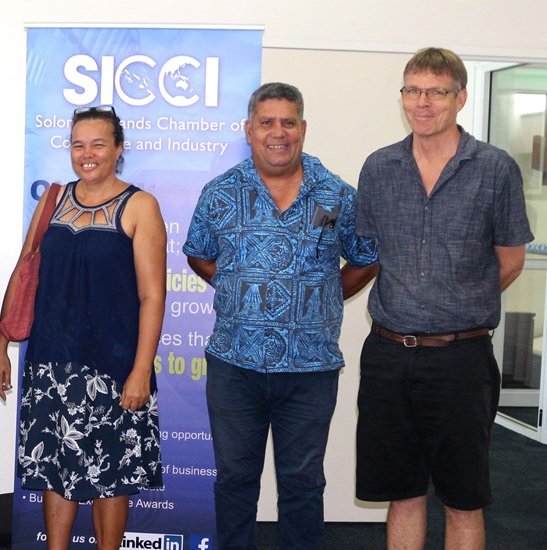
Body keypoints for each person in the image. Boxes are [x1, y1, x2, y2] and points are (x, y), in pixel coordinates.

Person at [183, 82, 379, 550]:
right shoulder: (220, 193)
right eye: (266, 122)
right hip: (234, 367)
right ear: (249, 129)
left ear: (303, 129)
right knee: (234, 481)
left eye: (288, 122)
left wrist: (324, 296)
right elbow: (198, 253)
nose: (278, 133)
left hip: (310, 369)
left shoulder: (335, 195)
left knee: (303, 485)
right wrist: (236, 287)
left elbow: (365, 257)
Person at [354, 48, 532, 550]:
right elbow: (368, 254)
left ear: (461, 98)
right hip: (388, 356)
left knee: (463, 499)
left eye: (436, 91)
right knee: (402, 494)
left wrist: (457, 303)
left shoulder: (495, 169)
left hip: (462, 360)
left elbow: (511, 260)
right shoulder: (379, 167)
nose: (423, 102)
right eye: (413, 90)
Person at [0, 105, 166, 550]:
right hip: (51, 363)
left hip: (114, 367)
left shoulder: (140, 206)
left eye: (98, 144)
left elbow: (152, 296)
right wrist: (0, 344)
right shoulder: (52, 200)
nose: (87, 154)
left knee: (112, 474)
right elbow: (23, 272)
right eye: (78, 145)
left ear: (119, 149)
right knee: (54, 469)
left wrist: (141, 370)